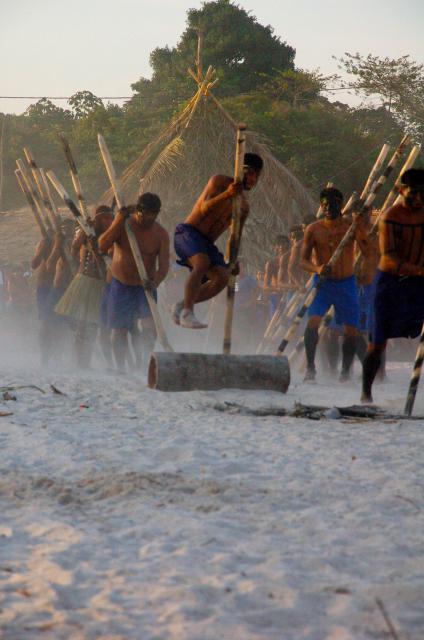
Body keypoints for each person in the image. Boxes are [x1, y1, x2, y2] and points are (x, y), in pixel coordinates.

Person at [172, 153, 263, 329]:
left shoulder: (243, 207)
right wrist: (227, 194)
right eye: (249, 173)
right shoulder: (220, 182)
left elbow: (234, 237)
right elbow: (204, 207)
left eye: (256, 176)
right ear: (239, 170)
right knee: (203, 262)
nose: (252, 179)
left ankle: (183, 304)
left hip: (206, 244)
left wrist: (233, 260)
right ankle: (188, 313)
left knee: (222, 277)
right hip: (188, 233)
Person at [362, 169, 424, 402]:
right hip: (389, 283)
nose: (419, 199)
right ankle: (366, 393)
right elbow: (389, 258)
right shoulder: (391, 217)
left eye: (423, 194)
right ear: (402, 191)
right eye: (414, 193)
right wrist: (418, 270)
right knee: (378, 342)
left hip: (418, 284)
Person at [300, 187, 371, 382]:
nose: (328, 208)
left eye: (332, 205)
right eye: (324, 205)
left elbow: (367, 251)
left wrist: (360, 228)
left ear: (340, 205)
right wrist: (317, 268)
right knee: (313, 321)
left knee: (351, 330)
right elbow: (303, 261)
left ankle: (346, 372)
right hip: (323, 283)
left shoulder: (350, 226)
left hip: (346, 283)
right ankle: (311, 368)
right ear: (321, 207)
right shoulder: (313, 229)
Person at [98, 192, 169, 372]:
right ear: (139, 210)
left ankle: (144, 362)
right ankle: (121, 368)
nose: (150, 218)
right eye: (146, 214)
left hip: (145, 287)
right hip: (121, 284)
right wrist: (119, 218)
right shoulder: (125, 225)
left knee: (149, 327)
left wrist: (156, 281)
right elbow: (102, 245)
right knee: (119, 329)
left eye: (154, 214)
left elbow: (164, 266)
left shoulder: (161, 234)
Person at [264, 235, 290, 319]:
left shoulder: (293, 261)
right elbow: (266, 286)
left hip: (292, 295)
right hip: (277, 298)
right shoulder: (271, 263)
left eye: (283, 244)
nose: (281, 247)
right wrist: (277, 289)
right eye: (278, 245)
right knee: (275, 324)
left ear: (288, 245)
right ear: (275, 247)